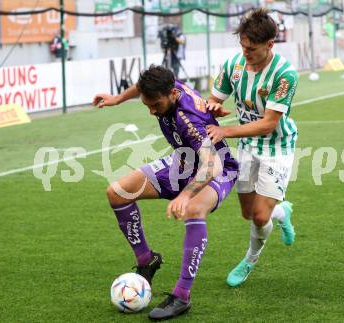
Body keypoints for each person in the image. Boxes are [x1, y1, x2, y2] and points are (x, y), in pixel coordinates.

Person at [93, 65, 238, 320]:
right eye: (146, 105)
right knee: (117, 193)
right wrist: (118, 99)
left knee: (193, 208)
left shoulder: (189, 119)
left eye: (156, 105)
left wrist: (185, 196)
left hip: (219, 167)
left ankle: (182, 295)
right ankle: (146, 260)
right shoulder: (163, 86)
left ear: (172, 93)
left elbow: (212, 166)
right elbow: (143, 86)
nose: (152, 111)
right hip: (182, 162)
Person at [206, 8, 298, 288]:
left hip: (277, 147)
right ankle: (282, 212)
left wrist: (225, 131)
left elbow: (268, 124)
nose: (245, 52)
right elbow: (213, 99)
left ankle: (250, 260)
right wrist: (214, 108)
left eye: (252, 48)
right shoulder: (233, 65)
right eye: (242, 46)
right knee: (248, 213)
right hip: (247, 145)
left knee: (259, 217)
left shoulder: (285, 74)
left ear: (270, 44)